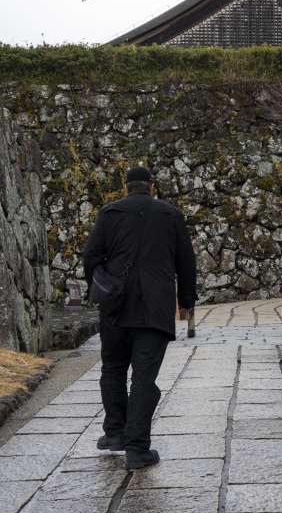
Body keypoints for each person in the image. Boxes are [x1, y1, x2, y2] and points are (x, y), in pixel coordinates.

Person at [82, 165, 197, 469]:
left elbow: (91, 256)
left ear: (126, 186)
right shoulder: (170, 215)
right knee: (144, 378)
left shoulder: (109, 214)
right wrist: (186, 301)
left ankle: (115, 432)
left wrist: (102, 283)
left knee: (113, 369)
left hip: (115, 306)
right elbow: (186, 261)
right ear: (151, 185)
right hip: (154, 309)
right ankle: (137, 448)